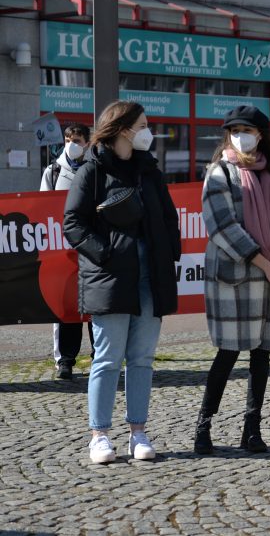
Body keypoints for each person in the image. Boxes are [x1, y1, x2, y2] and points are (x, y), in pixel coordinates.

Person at [63, 101, 181, 463]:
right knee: (107, 359)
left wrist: (169, 251)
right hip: (111, 277)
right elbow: (73, 223)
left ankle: (138, 432)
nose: (149, 131)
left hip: (151, 278)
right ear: (124, 129)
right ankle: (99, 435)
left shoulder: (150, 171)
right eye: (143, 125)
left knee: (142, 359)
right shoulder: (92, 169)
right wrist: (106, 254)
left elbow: (168, 217)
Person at [194, 106, 270, 455]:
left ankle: (252, 428)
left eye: (246, 129)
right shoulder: (219, 172)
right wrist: (265, 264)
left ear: (261, 134)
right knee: (228, 352)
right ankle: (203, 427)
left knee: (261, 355)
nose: (239, 135)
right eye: (234, 130)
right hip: (237, 275)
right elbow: (222, 226)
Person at [40, 123, 95, 380]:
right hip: (63, 250)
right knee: (66, 306)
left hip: (92, 246)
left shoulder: (95, 169)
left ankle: (101, 356)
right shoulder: (52, 172)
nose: (71, 143)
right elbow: (43, 208)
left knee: (96, 304)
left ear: (87, 142)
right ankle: (66, 360)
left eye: (77, 139)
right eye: (68, 139)